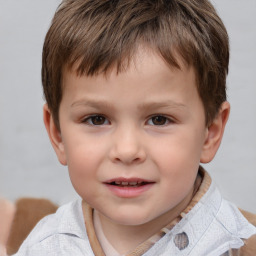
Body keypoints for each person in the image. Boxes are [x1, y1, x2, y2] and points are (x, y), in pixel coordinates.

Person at [14, 0, 256, 255]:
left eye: (159, 119)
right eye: (97, 119)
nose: (127, 150)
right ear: (57, 134)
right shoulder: (42, 247)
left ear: (210, 132)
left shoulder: (242, 245)